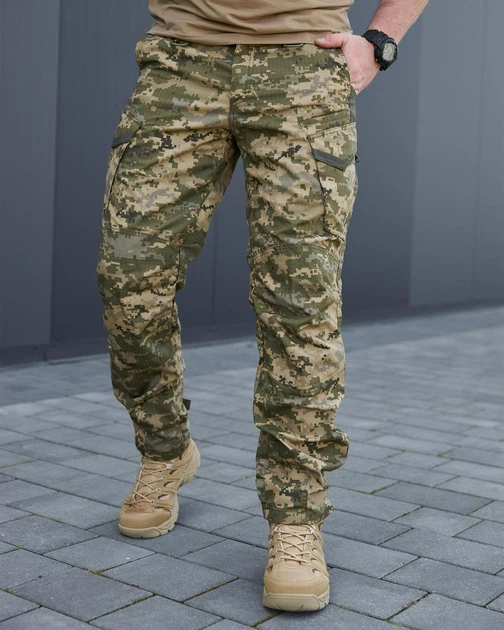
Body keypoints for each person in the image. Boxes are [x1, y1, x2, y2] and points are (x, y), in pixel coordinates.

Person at [97, 0, 430, 612]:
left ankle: (295, 518)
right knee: (128, 282)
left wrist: (380, 41)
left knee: (300, 308)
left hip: (302, 68)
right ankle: (165, 450)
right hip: (180, 64)